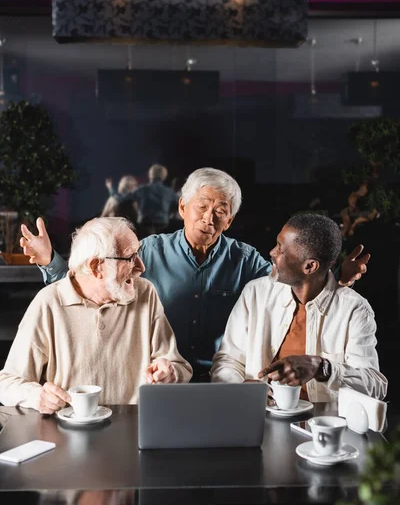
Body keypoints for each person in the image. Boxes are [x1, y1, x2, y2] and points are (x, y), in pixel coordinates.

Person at [20, 168, 370, 382]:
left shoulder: (246, 260)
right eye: (202, 207)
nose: (210, 217)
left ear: (230, 219)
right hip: (160, 379)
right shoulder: (150, 252)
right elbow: (94, 283)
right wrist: (50, 260)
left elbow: (293, 284)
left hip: (224, 379)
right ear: (182, 207)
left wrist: (333, 274)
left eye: (221, 211)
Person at [0, 217, 192, 413]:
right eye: (130, 258)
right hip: (68, 433)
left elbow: (179, 366)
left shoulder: (145, 293)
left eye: (138, 254)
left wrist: (170, 372)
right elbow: (7, 382)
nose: (141, 267)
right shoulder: (48, 303)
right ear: (96, 267)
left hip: (135, 428)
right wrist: (35, 395)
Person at [211, 213, 387, 402]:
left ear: (310, 266)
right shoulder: (255, 293)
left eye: (280, 248)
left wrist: (322, 368)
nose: (272, 252)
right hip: (258, 420)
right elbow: (228, 360)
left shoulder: (354, 310)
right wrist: (240, 389)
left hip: (323, 426)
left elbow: (375, 385)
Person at [106, 164, 179, 237]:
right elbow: (180, 204)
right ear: (164, 176)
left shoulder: (142, 189)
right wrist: (168, 213)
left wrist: (111, 188)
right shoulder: (168, 192)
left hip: (144, 224)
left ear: (150, 175)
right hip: (163, 225)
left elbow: (120, 198)